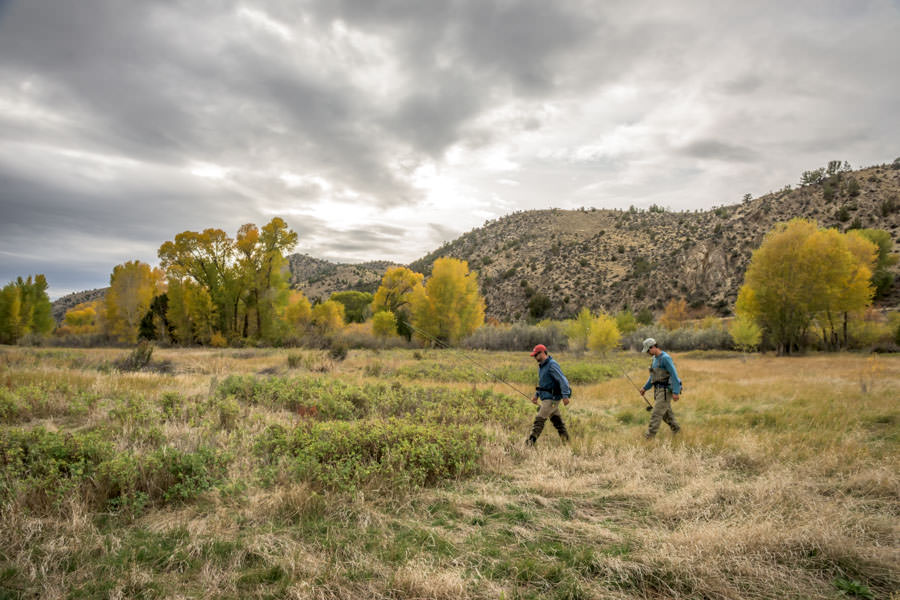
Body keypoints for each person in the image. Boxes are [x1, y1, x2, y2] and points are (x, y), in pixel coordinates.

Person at [525, 344, 571, 446]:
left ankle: (530, 443)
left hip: (552, 399)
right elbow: (543, 384)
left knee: (539, 419)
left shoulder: (552, 364)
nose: (535, 357)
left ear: (542, 353)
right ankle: (567, 443)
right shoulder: (542, 366)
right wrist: (536, 395)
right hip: (546, 398)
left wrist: (565, 395)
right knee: (558, 422)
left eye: (536, 355)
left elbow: (563, 380)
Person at [639, 338, 682, 438]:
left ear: (653, 347)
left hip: (666, 391)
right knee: (666, 415)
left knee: (656, 413)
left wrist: (676, 392)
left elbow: (674, 375)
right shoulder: (654, 359)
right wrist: (645, 388)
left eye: (648, 350)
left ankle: (649, 436)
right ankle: (677, 430)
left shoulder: (665, 358)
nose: (647, 353)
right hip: (657, 391)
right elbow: (652, 377)